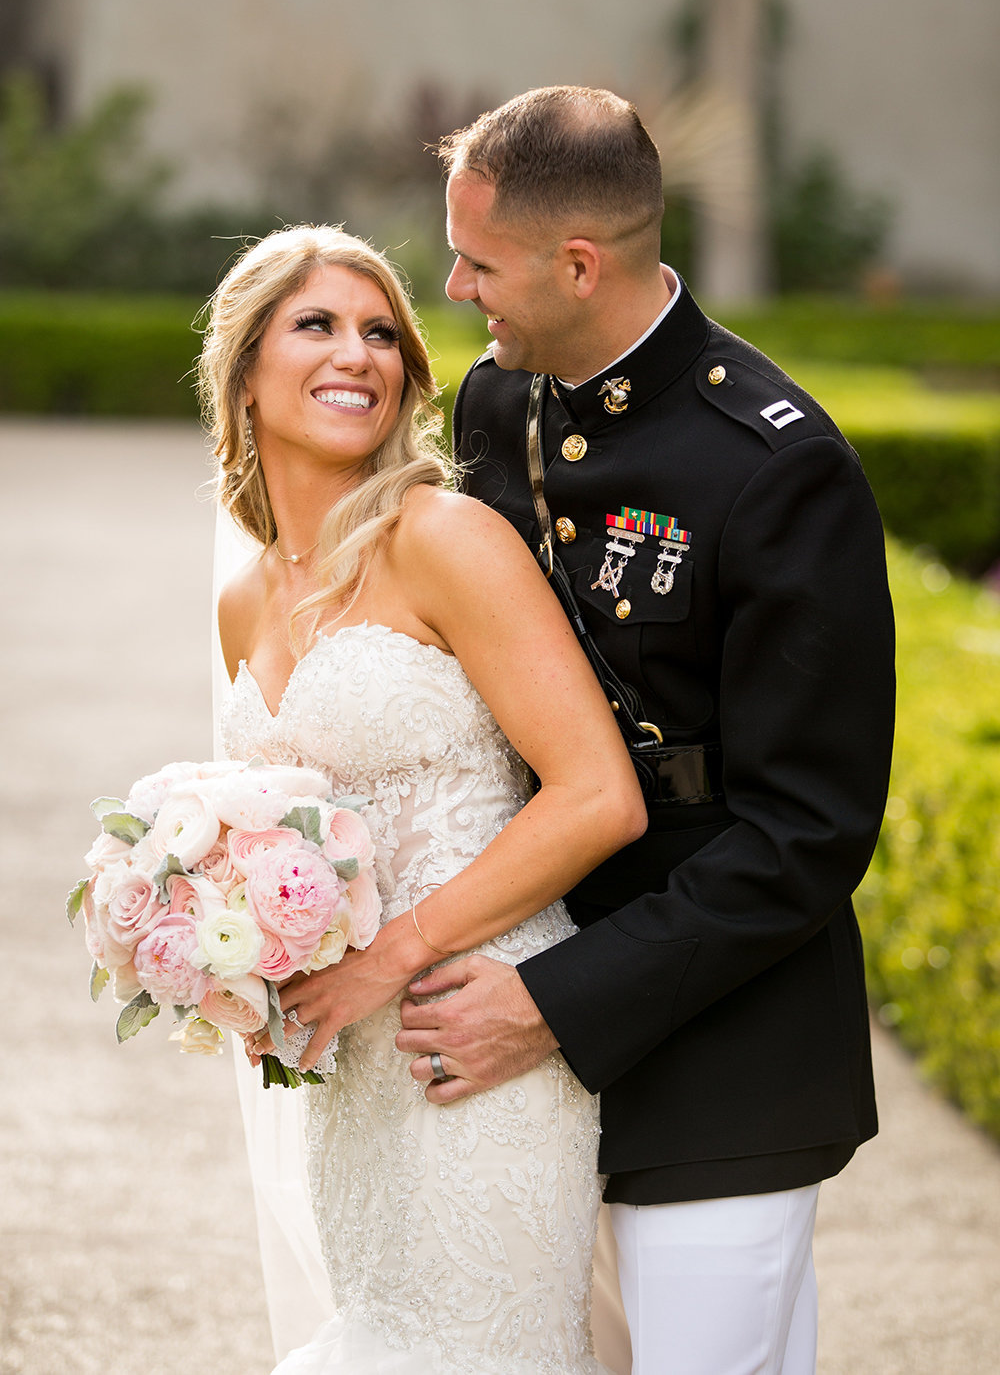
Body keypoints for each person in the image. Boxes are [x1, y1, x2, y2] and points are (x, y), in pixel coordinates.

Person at [395, 86, 897, 1375]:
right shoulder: (499, 406)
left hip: (726, 1043)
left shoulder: (773, 463)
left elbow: (805, 835)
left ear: (578, 263)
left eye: (477, 260)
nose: (452, 287)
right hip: (528, 1016)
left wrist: (550, 1005)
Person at [200, 222, 646, 1374]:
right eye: (317, 326)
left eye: (382, 333)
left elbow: (599, 795)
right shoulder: (244, 602)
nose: (360, 354)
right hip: (350, 1071)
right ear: (244, 369)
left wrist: (386, 962)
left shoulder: (443, 537)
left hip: (478, 1031)